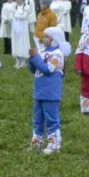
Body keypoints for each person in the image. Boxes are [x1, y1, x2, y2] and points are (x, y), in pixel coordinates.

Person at [27, 24, 69, 152]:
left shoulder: (58, 54)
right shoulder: (43, 52)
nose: (43, 39)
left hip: (51, 92)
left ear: (54, 39)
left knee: (51, 118)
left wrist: (35, 58)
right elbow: (34, 70)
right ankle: (37, 141)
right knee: (37, 118)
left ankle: (54, 143)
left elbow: (48, 69)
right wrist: (31, 58)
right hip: (39, 90)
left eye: (46, 37)